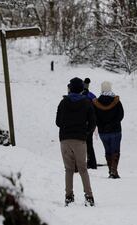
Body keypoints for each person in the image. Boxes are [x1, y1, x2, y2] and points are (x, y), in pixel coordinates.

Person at [56, 77, 96, 206]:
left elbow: (58, 122)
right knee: (83, 169)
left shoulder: (63, 103)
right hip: (80, 139)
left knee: (68, 169)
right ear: (81, 89)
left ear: (70, 88)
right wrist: (86, 132)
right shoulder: (86, 103)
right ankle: (89, 196)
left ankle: (69, 196)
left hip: (65, 139)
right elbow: (93, 122)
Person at [95, 81, 124, 179]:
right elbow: (120, 115)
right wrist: (112, 124)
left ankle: (110, 170)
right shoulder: (116, 101)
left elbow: (94, 117)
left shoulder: (96, 102)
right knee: (115, 151)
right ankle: (114, 171)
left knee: (108, 151)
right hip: (115, 130)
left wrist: (103, 125)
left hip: (103, 132)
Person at [82, 78, 98, 169]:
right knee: (89, 143)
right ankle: (91, 161)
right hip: (91, 123)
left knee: (84, 143)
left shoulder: (82, 96)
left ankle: (90, 161)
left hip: (84, 123)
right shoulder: (92, 95)